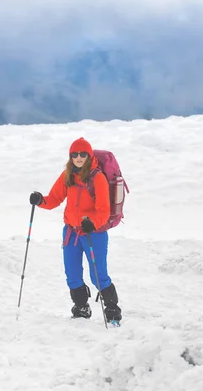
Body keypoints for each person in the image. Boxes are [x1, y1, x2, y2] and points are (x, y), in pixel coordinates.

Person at [29, 137, 123, 323]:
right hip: (71, 232)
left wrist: (92, 223)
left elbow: (104, 211)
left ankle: (112, 311)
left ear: (88, 156)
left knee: (98, 275)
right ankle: (81, 307)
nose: (78, 158)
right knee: (72, 274)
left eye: (82, 154)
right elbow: (54, 199)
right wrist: (40, 200)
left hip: (93, 234)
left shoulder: (98, 178)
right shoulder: (68, 175)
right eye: (74, 154)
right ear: (70, 156)